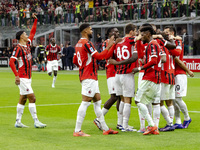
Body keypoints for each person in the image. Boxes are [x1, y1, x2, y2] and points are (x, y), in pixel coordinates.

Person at [73, 23, 118, 136]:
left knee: (97, 102)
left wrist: (83, 66)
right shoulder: (87, 43)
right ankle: (77, 131)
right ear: (85, 31)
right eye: (90, 29)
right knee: (85, 102)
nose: (92, 31)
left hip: (88, 75)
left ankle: (105, 128)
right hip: (89, 76)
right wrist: (109, 46)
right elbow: (99, 56)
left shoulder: (78, 44)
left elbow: (75, 60)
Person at [9, 14, 46, 128]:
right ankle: (36, 121)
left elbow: (33, 32)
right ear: (21, 37)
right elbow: (11, 62)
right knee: (32, 97)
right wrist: (16, 76)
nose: (27, 35)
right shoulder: (18, 48)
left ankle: (18, 122)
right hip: (22, 77)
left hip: (28, 77)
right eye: (25, 34)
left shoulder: (27, 44)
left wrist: (35, 20)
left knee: (23, 99)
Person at [109, 23, 138, 132]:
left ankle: (120, 123)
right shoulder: (131, 40)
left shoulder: (118, 43)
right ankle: (125, 126)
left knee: (121, 99)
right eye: (135, 31)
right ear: (131, 31)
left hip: (117, 74)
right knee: (127, 100)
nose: (136, 33)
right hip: (127, 74)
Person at [93, 27, 123, 131]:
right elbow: (107, 56)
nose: (117, 33)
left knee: (120, 97)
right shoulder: (107, 42)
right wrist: (114, 44)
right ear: (109, 33)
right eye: (115, 31)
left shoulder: (118, 42)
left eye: (118, 31)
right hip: (111, 72)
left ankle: (120, 123)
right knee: (114, 97)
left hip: (118, 72)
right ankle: (98, 119)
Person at [164, 26, 192, 129]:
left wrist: (188, 70)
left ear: (172, 32)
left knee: (178, 99)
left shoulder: (177, 42)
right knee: (173, 100)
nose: (166, 34)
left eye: (167, 32)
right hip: (172, 74)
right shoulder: (170, 42)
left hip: (180, 74)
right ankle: (178, 121)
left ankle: (187, 118)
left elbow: (177, 54)